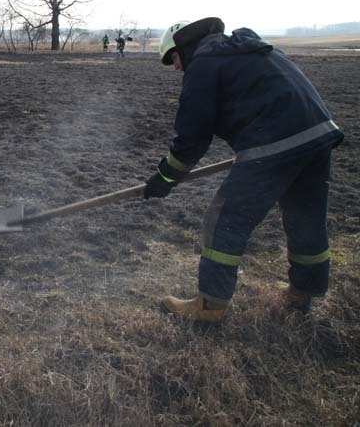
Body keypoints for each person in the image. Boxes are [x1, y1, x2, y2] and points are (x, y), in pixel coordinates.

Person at [145, 17, 343, 323]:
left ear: (183, 47)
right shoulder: (251, 49)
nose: (176, 68)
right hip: (317, 134)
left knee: (224, 219)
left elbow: (193, 136)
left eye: (173, 59)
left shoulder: (204, 64)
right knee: (305, 217)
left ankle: (209, 307)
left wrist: (166, 176)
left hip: (274, 144)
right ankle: (302, 294)